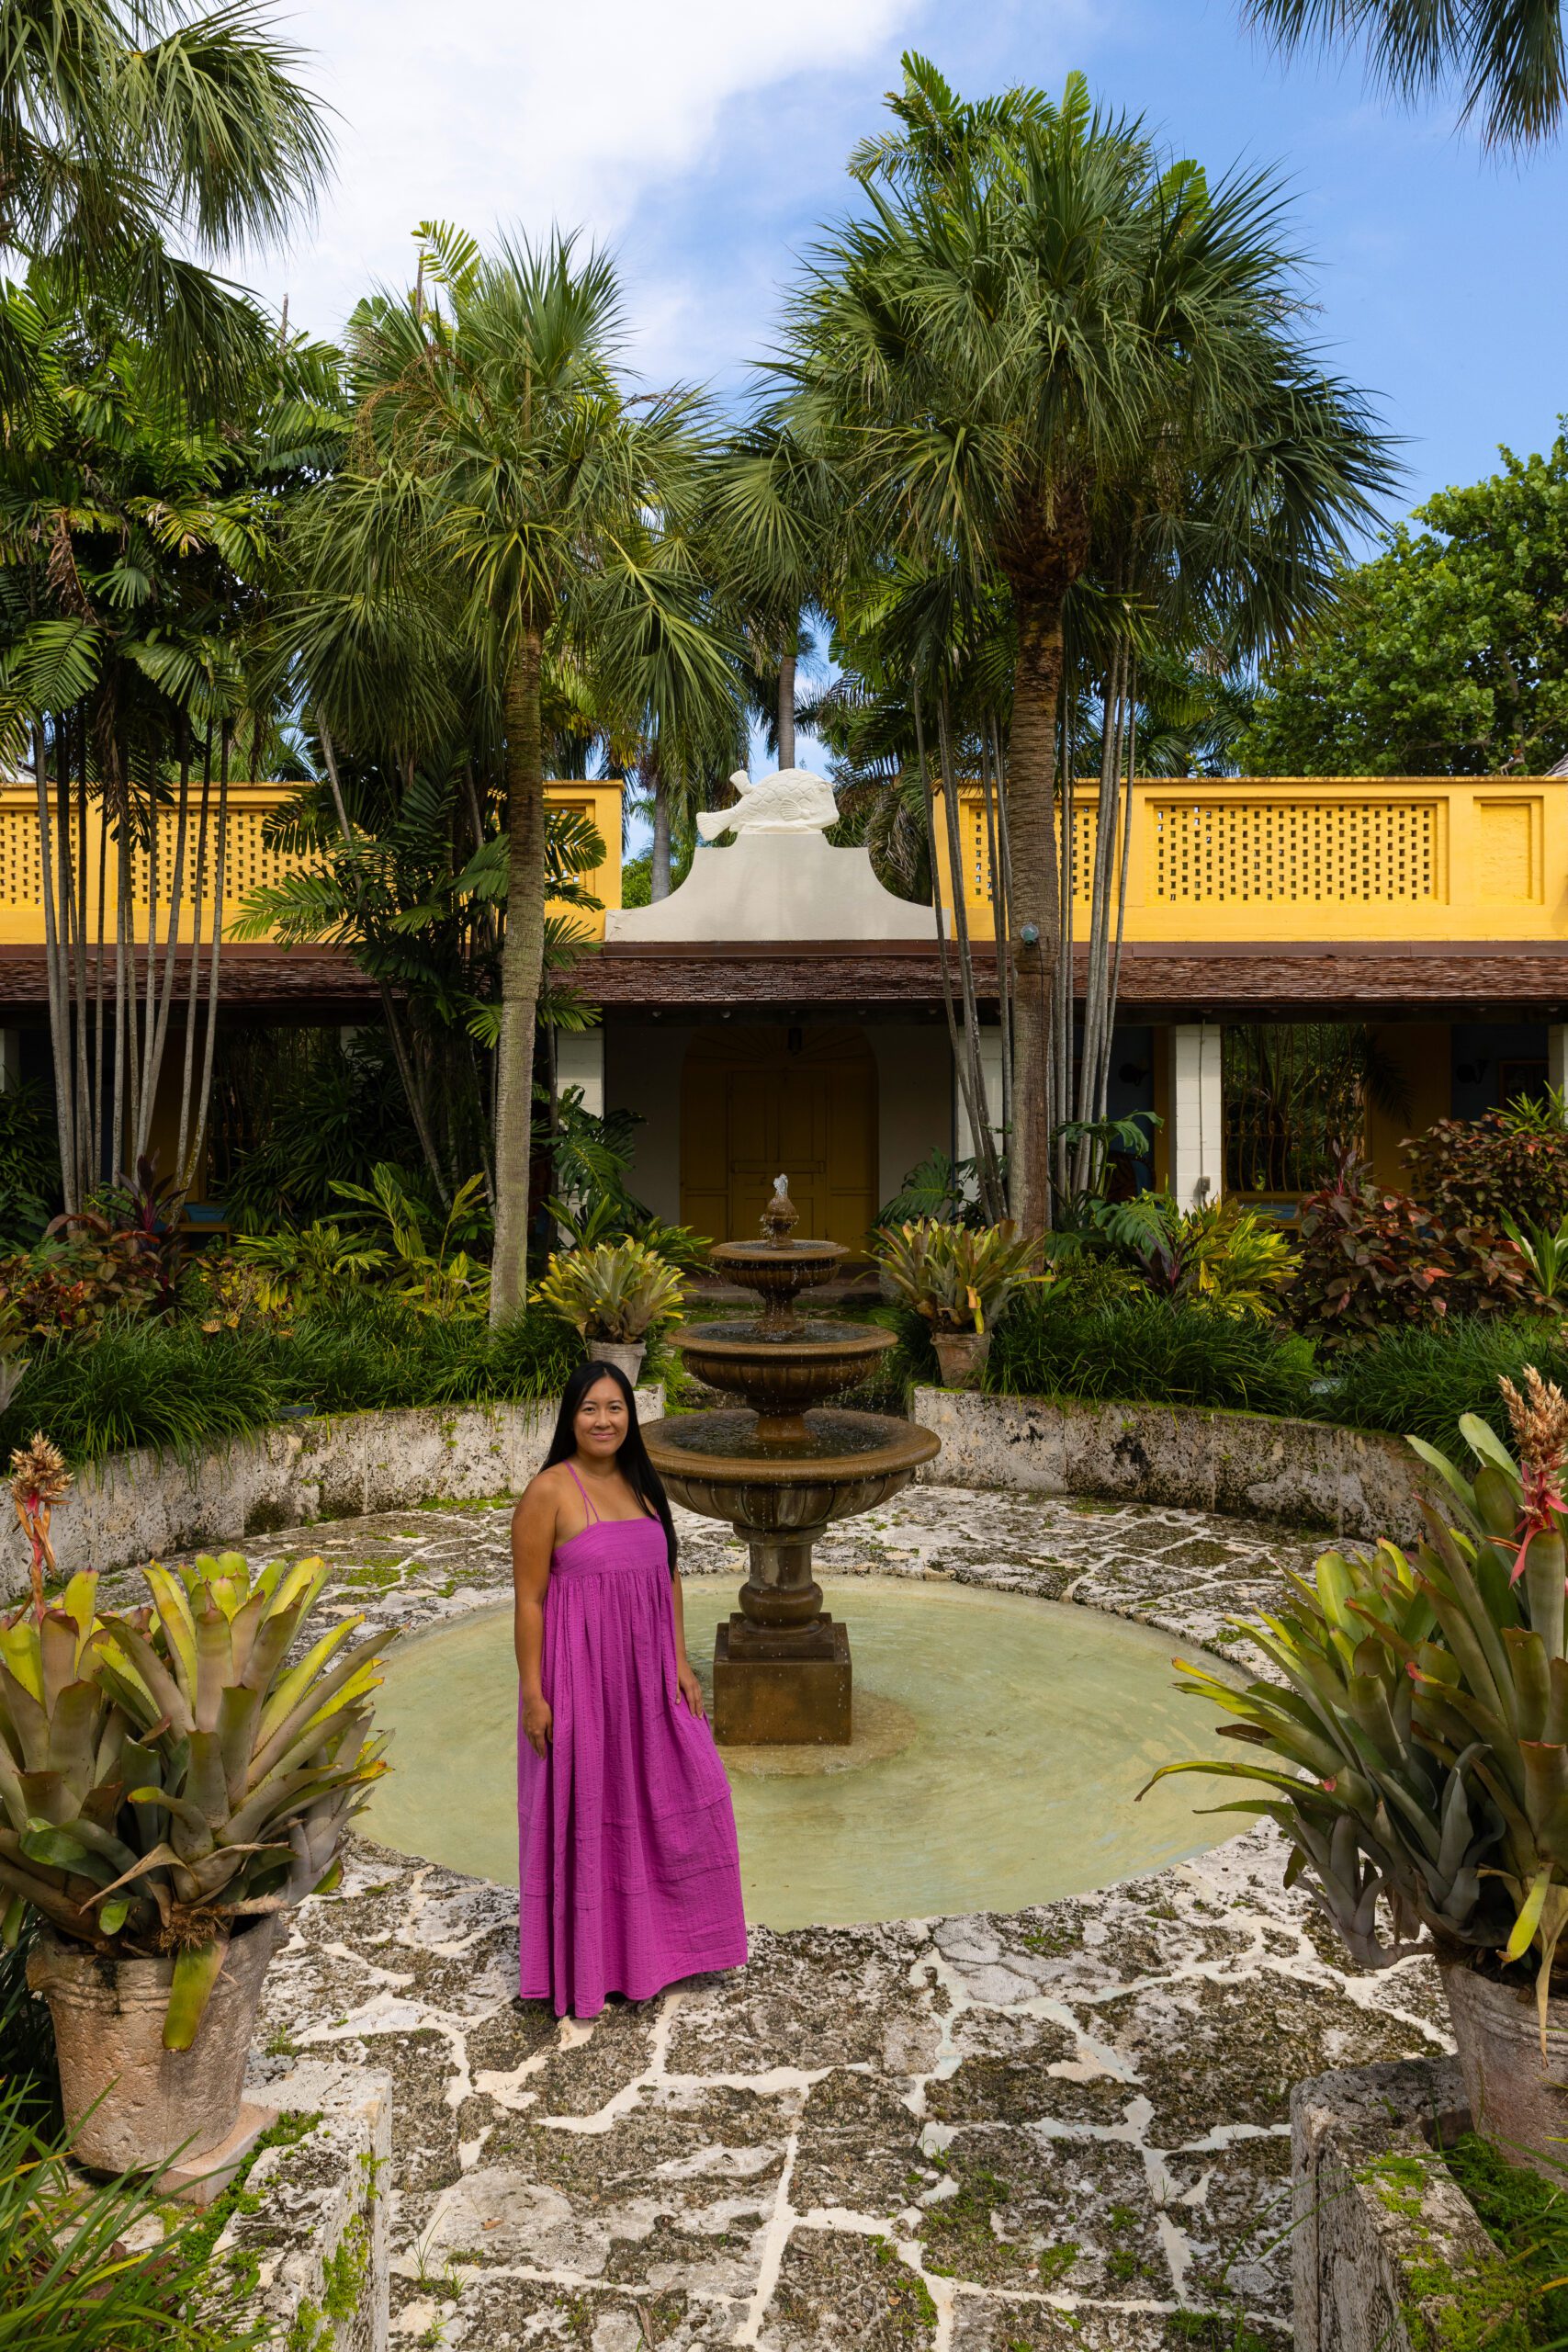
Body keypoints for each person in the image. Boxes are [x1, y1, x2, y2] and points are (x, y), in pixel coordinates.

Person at [512, 1361, 748, 2018]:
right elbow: (529, 1600)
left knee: (690, 1793)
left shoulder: (643, 1484)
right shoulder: (549, 1492)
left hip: (646, 1677)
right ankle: (594, 1964)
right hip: (580, 1680)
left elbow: (666, 1573)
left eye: (615, 1407)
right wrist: (534, 1693)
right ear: (570, 1417)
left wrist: (678, 1661)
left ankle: (665, 1947)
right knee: (589, 1812)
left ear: (629, 1417)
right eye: (590, 1408)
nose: (603, 1420)